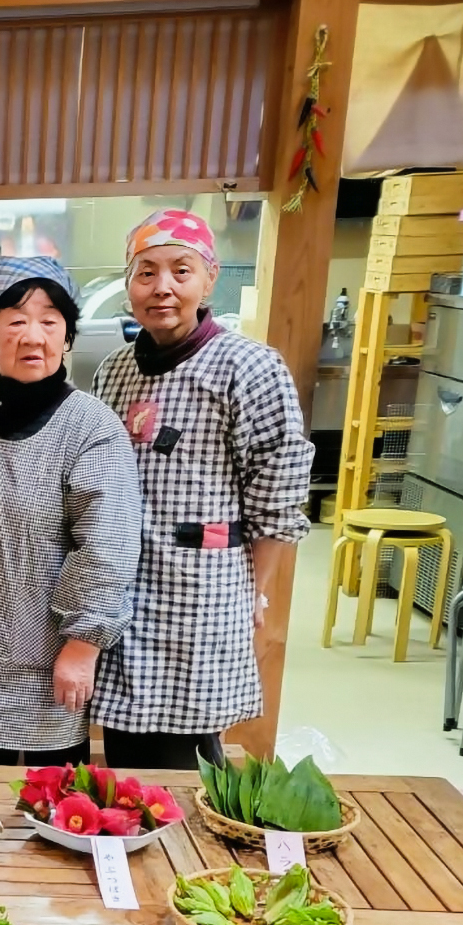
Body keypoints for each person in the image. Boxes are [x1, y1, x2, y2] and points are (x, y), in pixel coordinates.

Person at [91, 209, 312, 769]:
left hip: (202, 590)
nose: (162, 287)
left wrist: (253, 590)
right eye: (146, 272)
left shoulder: (250, 366)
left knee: (187, 750)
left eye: (181, 271)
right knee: (125, 741)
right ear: (129, 284)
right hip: (123, 586)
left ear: (209, 279)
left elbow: (279, 495)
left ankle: (186, 856)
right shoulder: (115, 370)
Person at [0, 255, 141, 766]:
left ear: (67, 337)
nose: (33, 336)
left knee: (57, 799)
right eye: (15, 320)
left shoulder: (91, 427)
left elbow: (107, 545)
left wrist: (83, 645)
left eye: (49, 321)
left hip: (54, 650)